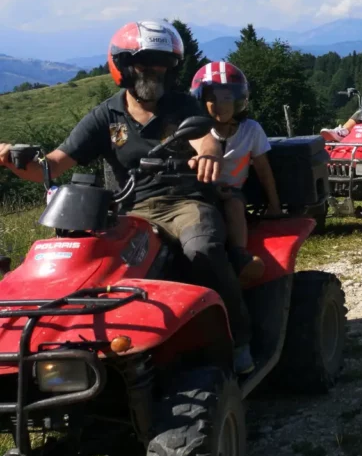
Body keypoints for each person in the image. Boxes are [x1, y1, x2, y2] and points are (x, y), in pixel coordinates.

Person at [0, 20, 255, 375]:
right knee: (94, 270)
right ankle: (82, 350)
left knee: (203, 250)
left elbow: (205, 138)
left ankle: (238, 337)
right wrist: (13, 158)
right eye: (145, 61)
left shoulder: (182, 106)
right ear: (121, 65)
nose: (155, 70)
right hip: (128, 209)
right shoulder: (106, 115)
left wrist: (209, 154)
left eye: (163, 63)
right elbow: (54, 165)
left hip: (185, 203)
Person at [191, 61, 281, 286]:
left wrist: (274, 204)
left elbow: (263, 169)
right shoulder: (195, 130)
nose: (219, 105)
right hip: (198, 192)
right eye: (212, 98)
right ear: (201, 100)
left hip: (232, 191)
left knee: (233, 205)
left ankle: (239, 256)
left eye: (226, 97)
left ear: (239, 100)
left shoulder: (251, 130)